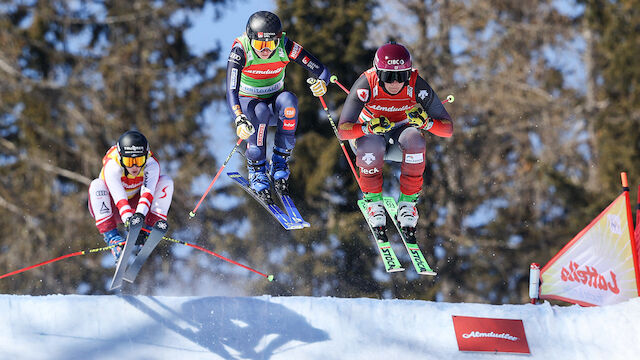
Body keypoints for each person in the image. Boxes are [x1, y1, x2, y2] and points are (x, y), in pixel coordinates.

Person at [337, 42, 453, 238]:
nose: (395, 83)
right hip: (369, 139)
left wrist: (426, 123)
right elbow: (343, 131)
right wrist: (368, 127)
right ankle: (373, 202)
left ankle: (408, 204)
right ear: (377, 72)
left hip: (399, 138)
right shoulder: (366, 83)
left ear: (409, 73)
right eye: (388, 76)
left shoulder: (416, 84)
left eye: (401, 76)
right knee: (372, 143)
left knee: (416, 140)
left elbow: (447, 129)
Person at [226, 10, 331, 200]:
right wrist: (239, 118)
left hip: (275, 102)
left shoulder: (286, 46)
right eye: (259, 44)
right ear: (250, 39)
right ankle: (257, 171)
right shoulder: (240, 50)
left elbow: (322, 70)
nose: (265, 50)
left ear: (278, 40)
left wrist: (323, 83)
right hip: (249, 104)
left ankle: (280, 162)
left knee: (289, 102)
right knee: (260, 111)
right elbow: (231, 89)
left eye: (271, 44)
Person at [88, 130, 174, 261]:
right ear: (121, 157)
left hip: (135, 204)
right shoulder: (112, 165)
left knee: (166, 181)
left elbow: (147, 193)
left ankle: (150, 231)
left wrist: (139, 217)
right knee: (96, 185)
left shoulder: (151, 165)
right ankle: (113, 240)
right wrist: (129, 219)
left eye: (139, 160)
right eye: (129, 161)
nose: (134, 166)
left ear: (145, 156)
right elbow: (119, 198)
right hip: (110, 207)